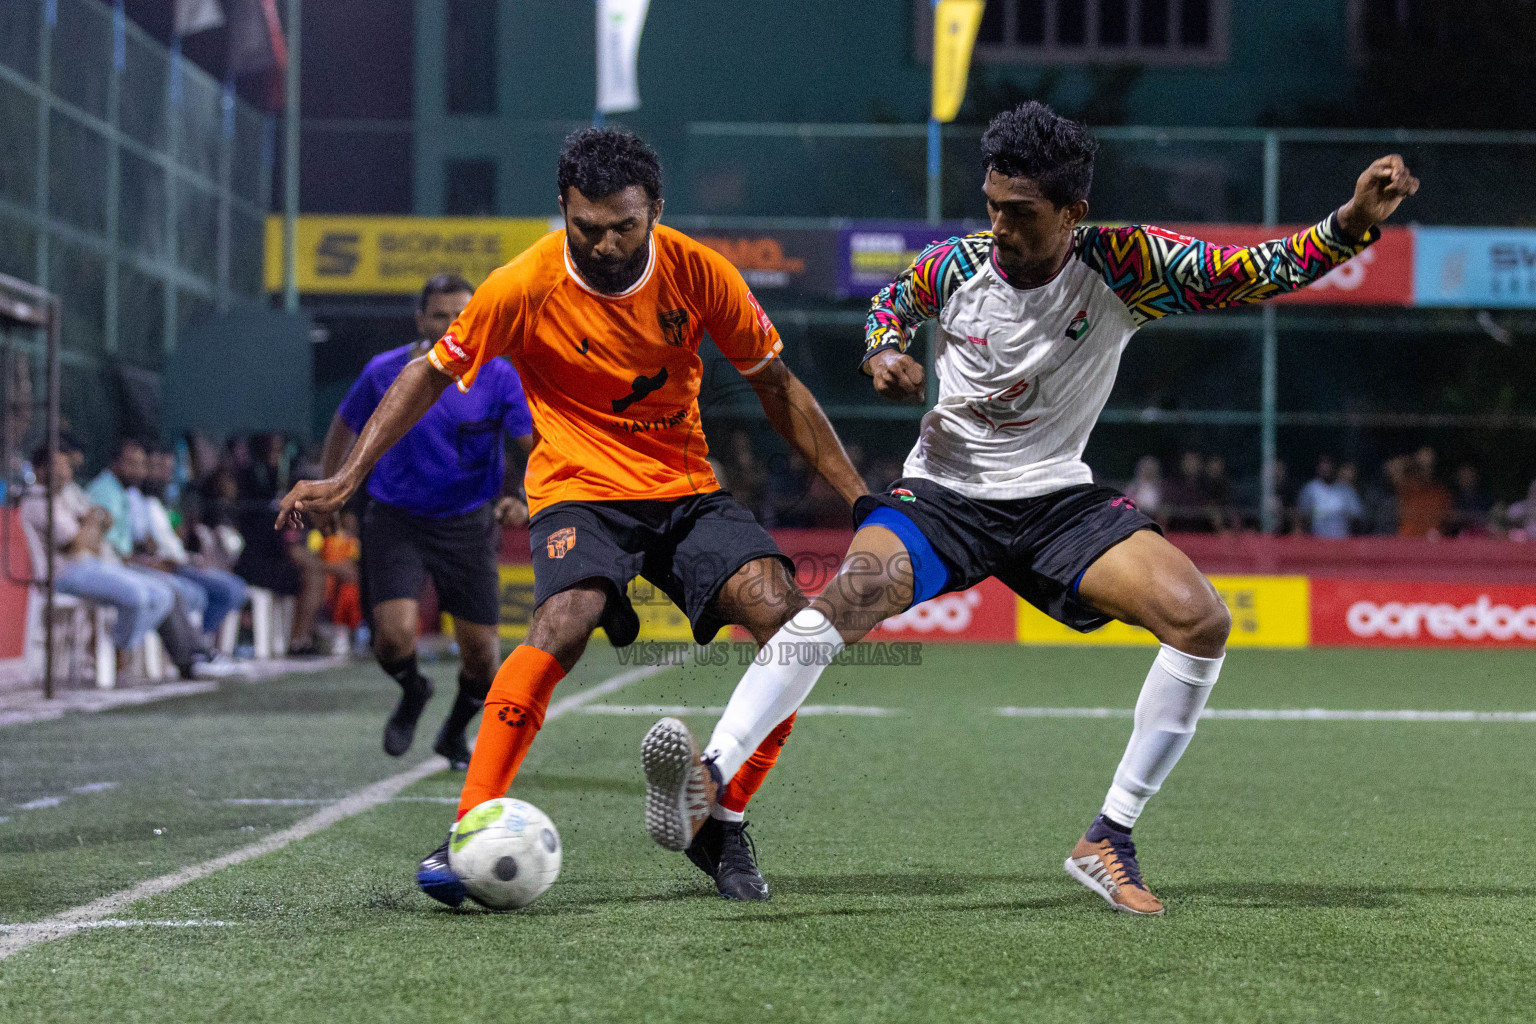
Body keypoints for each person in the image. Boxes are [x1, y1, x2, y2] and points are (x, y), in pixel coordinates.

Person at [643, 102, 1418, 916]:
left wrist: (1354, 220)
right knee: (847, 595)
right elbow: (891, 304)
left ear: (1071, 213)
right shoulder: (955, 265)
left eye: (1019, 213)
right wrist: (884, 352)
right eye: (991, 206)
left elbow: (1258, 269)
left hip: (1055, 498)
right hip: (944, 493)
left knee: (1201, 619)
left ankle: (1108, 837)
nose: (999, 227)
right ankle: (713, 777)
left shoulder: (1126, 263)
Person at [276, 128, 867, 904]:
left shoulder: (701, 274)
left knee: (791, 625)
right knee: (563, 618)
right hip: (578, 486)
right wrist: (346, 476)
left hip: (683, 483)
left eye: (625, 226)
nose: (606, 244)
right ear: (564, 209)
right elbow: (427, 375)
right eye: (587, 228)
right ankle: (468, 829)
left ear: (655, 208)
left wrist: (861, 500)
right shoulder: (522, 284)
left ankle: (720, 819)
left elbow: (777, 386)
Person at [320, 273, 536, 768]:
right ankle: (413, 690)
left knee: (483, 657)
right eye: (440, 315)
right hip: (396, 518)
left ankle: (453, 733)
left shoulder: (499, 375)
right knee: (392, 638)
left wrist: (521, 497)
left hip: (468, 522)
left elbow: (534, 447)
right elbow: (343, 424)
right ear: (421, 319)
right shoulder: (384, 371)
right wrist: (331, 487)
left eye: (461, 314)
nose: (451, 324)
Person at [20, 447, 174, 672]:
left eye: (66, 466)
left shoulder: (65, 496)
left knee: (163, 594)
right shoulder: (37, 501)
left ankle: (119, 647)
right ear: (39, 469)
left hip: (90, 564)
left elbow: (102, 524)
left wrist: (91, 526)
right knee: (137, 596)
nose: (64, 472)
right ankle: (118, 653)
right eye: (58, 466)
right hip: (64, 572)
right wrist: (92, 526)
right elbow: (79, 542)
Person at [1297, 455, 1362, 539]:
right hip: (1317, 541)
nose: (1326, 468)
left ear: (1334, 467)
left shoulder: (1346, 491)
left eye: (1328, 465)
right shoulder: (1310, 489)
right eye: (1323, 465)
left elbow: (1357, 517)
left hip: (1342, 541)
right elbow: (1302, 517)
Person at [1396, 446, 1452, 538]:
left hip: (1432, 542)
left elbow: (1447, 520)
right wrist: (1413, 460)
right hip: (1408, 540)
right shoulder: (1406, 487)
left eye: (1430, 466)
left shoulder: (1441, 493)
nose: (1425, 470)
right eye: (1421, 467)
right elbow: (1394, 467)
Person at [1123, 456, 1163, 523]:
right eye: (1146, 468)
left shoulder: (1161, 488)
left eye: (1151, 469)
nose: (1149, 471)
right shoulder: (1132, 488)